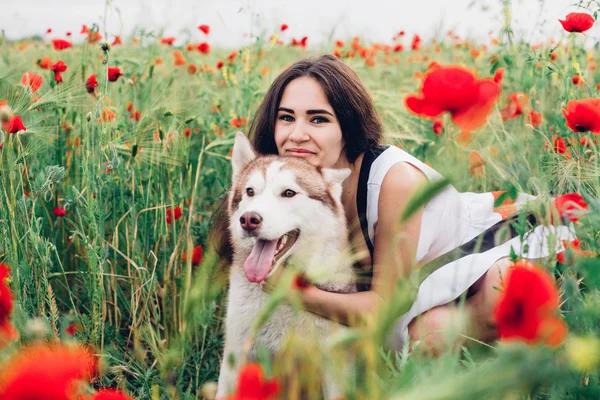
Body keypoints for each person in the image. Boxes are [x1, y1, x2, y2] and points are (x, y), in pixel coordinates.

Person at [209, 54, 575, 356]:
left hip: (457, 256)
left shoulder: (393, 181)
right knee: (420, 332)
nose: (296, 135)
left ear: (347, 127)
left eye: (318, 119)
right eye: (286, 117)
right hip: (404, 292)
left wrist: (294, 292)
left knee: (500, 292)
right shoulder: (267, 184)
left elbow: (382, 309)